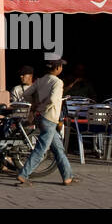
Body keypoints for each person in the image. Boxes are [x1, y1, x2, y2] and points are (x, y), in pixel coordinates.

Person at [16, 58, 76, 187]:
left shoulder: (41, 80)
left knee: (58, 148)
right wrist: (42, 107)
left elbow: (26, 93)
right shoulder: (58, 82)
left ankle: (68, 176)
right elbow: (53, 100)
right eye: (61, 66)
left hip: (41, 118)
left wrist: (34, 105)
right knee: (41, 149)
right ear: (57, 68)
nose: (61, 69)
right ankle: (24, 174)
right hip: (49, 118)